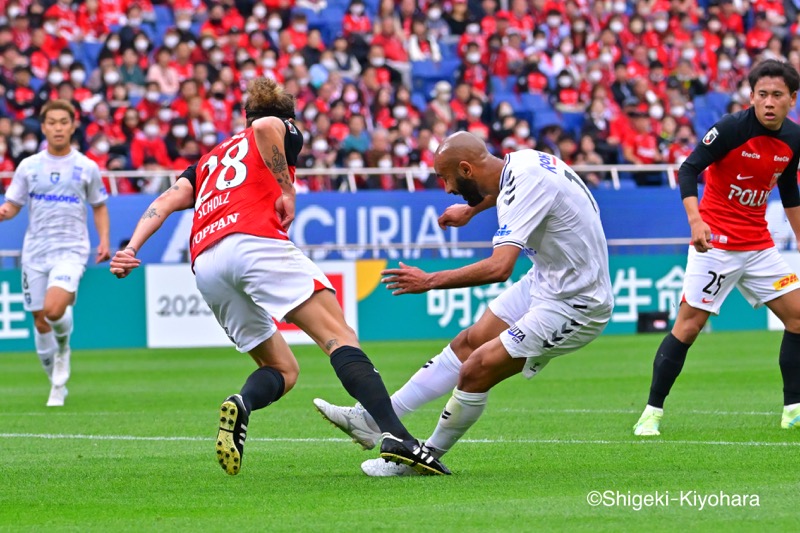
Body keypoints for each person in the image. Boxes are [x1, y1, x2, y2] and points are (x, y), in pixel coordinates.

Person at [108, 78, 450, 477]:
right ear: (289, 116)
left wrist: (131, 247)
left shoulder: (207, 161)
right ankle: (398, 438)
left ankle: (243, 402)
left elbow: (165, 202)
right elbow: (265, 128)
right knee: (338, 336)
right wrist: (288, 188)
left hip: (206, 262)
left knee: (284, 370)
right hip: (253, 241)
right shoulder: (278, 127)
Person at [314, 132, 614, 475]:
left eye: (447, 178)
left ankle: (422, 460)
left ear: (467, 169)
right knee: (468, 342)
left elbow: (499, 267)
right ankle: (370, 419)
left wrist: (429, 281)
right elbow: (509, 193)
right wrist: (471, 211)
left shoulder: (525, 181)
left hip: (577, 303)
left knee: (476, 369)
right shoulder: (520, 163)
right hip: (547, 280)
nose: (447, 189)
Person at [633, 59, 800, 436]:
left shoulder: (794, 139)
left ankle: (793, 408)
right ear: (751, 96)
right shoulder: (730, 129)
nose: (768, 102)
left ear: (792, 98)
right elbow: (688, 169)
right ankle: (651, 413)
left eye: (777, 95)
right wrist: (696, 221)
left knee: (798, 318)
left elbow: (789, 190)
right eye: (761, 94)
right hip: (717, 247)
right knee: (688, 328)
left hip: (759, 246)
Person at [0, 99, 111, 407]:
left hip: (71, 249)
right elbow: (13, 205)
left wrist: (103, 241)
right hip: (35, 251)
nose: (58, 127)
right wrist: (4, 212)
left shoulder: (86, 167)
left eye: (64, 122)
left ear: (73, 125)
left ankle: (63, 350)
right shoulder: (29, 166)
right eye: (52, 122)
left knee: (53, 309)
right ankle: (56, 384)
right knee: (39, 320)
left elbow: (99, 206)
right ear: (44, 126)